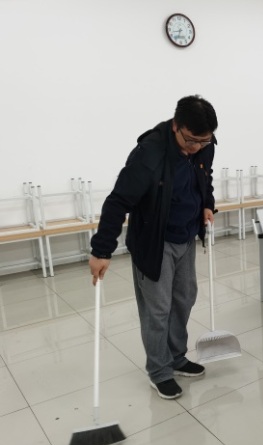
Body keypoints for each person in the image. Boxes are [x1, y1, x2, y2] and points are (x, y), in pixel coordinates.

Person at [89, 95, 218, 400]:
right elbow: (118, 201)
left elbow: (204, 176)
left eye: (204, 141)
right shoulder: (149, 154)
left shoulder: (204, 145)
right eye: (191, 140)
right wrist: (101, 250)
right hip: (154, 240)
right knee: (157, 309)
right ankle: (159, 371)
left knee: (184, 298)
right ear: (176, 126)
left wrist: (207, 203)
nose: (197, 147)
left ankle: (176, 357)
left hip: (186, 235)